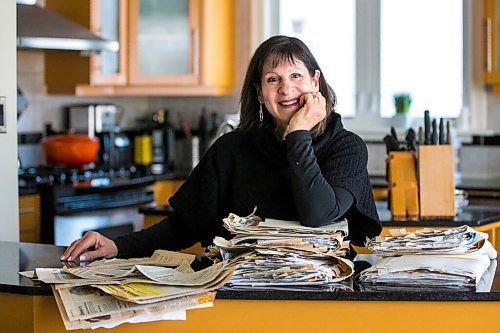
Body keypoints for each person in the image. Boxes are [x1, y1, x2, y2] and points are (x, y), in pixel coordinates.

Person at [62, 35, 381, 262]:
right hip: (243, 295)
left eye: (296, 75)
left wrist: (297, 133)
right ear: (259, 93)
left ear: (315, 81)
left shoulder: (346, 147)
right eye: (273, 79)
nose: (286, 88)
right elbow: (185, 224)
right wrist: (117, 246)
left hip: (325, 298)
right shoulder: (232, 149)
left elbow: (318, 215)